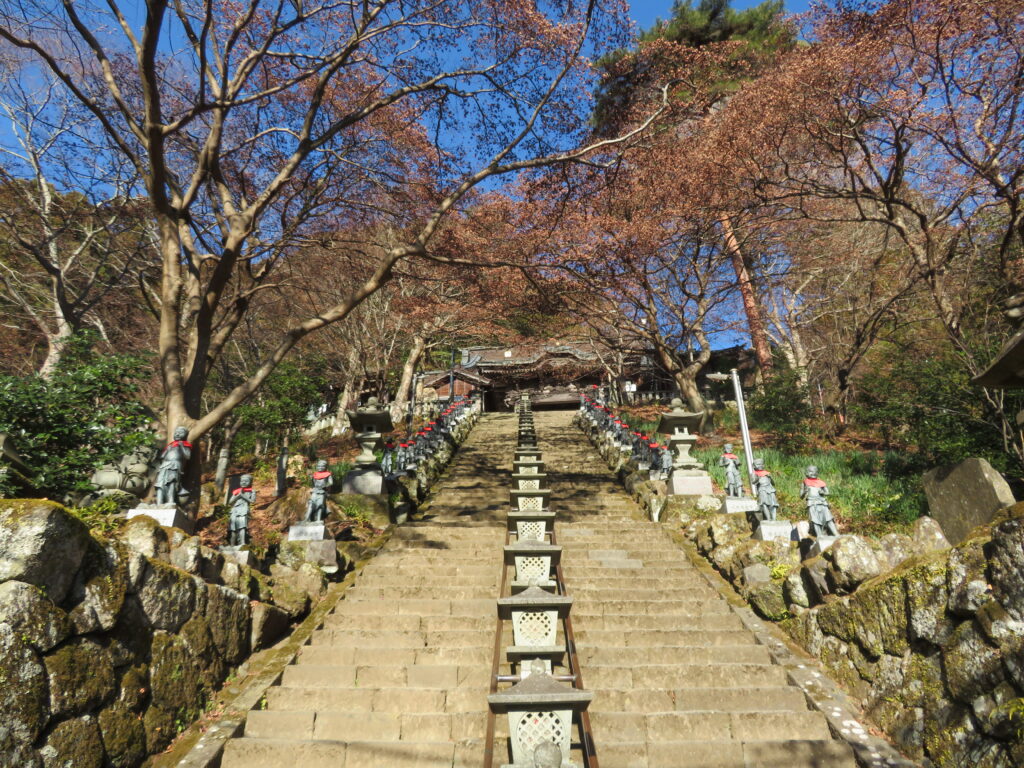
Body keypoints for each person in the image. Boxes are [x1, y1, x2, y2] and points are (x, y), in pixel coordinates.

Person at [155, 427, 191, 505]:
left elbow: (188, 456)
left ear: (185, 435)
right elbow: (162, 456)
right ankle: (159, 502)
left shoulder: (185, 444)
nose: (177, 434)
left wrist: (181, 446)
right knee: (160, 483)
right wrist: (167, 449)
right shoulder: (170, 445)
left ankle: (170, 501)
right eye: (176, 432)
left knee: (172, 481)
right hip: (164, 465)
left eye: (180, 432)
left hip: (175, 464)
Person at [801, 465, 838, 536]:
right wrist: (805, 492)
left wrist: (823, 492)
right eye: (810, 471)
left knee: (828, 518)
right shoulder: (805, 482)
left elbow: (827, 492)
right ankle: (819, 535)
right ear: (807, 473)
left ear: (817, 473)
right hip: (811, 503)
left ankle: (836, 534)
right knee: (815, 520)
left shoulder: (821, 482)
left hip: (822, 502)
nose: (812, 473)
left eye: (815, 471)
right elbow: (801, 496)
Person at [228, 474, 254, 546]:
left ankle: (242, 542)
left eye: (246, 481)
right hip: (234, 510)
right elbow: (230, 502)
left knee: (242, 526)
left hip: (244, 509)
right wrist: (237, 496)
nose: (244, 482)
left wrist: (242, 495)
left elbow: (252, 501)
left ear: (250, 482)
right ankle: (232, 544)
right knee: (233, 528)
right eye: (242, 481)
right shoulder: (236, 491)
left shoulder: (251, 491)